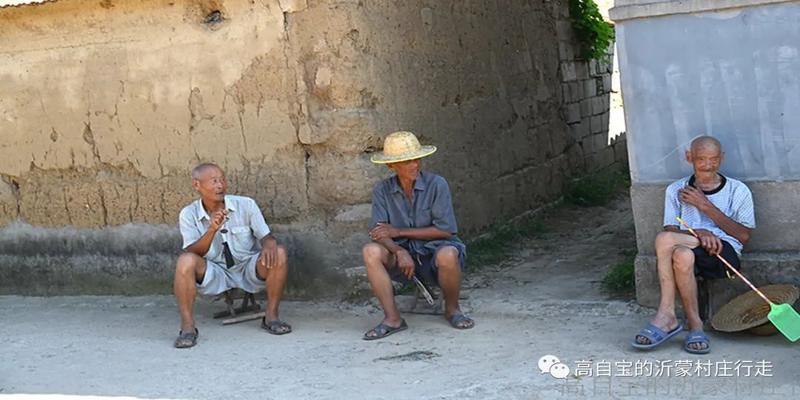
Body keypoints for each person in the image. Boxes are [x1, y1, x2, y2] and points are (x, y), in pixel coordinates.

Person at [632, 136, 755, 354]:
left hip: (723, 254)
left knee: (663, 240)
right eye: (701, 159)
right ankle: (695, 325)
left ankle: (666, 314)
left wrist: (705, 206)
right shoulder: (676, 190)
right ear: (689, 158)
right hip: (688, 247)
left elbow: (744, 236)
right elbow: (671, 229)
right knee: (681, 254)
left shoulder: (738, 190)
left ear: (722, 158)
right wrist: (700, 233)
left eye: (714, 159)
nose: (708, 165)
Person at [361, 131, 475, 340]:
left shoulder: (436, 184)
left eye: (416, 159)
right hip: (402, 258)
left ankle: (453, 309)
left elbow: (446, 230)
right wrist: (398, 249)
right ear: (391, 166)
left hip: (434, 253)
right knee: (370, 251)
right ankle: (393, 319)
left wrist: (398, 232)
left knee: (448, 254)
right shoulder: (382, 190)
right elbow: (378, 232)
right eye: (406, 161)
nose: (414, 165)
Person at [173, 163, 291, 348]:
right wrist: (212, 230)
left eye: (222, 180)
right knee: (184, 261)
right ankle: (188, 328)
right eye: (213, 181)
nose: (220, 185)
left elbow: (266, 237)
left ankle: (271, 317)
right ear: (197, 185)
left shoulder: (245, 204)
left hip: (247, 268)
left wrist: (269, 243)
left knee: (280, 252)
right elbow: (193, 252)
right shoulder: (188, 214)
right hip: (214, 271)